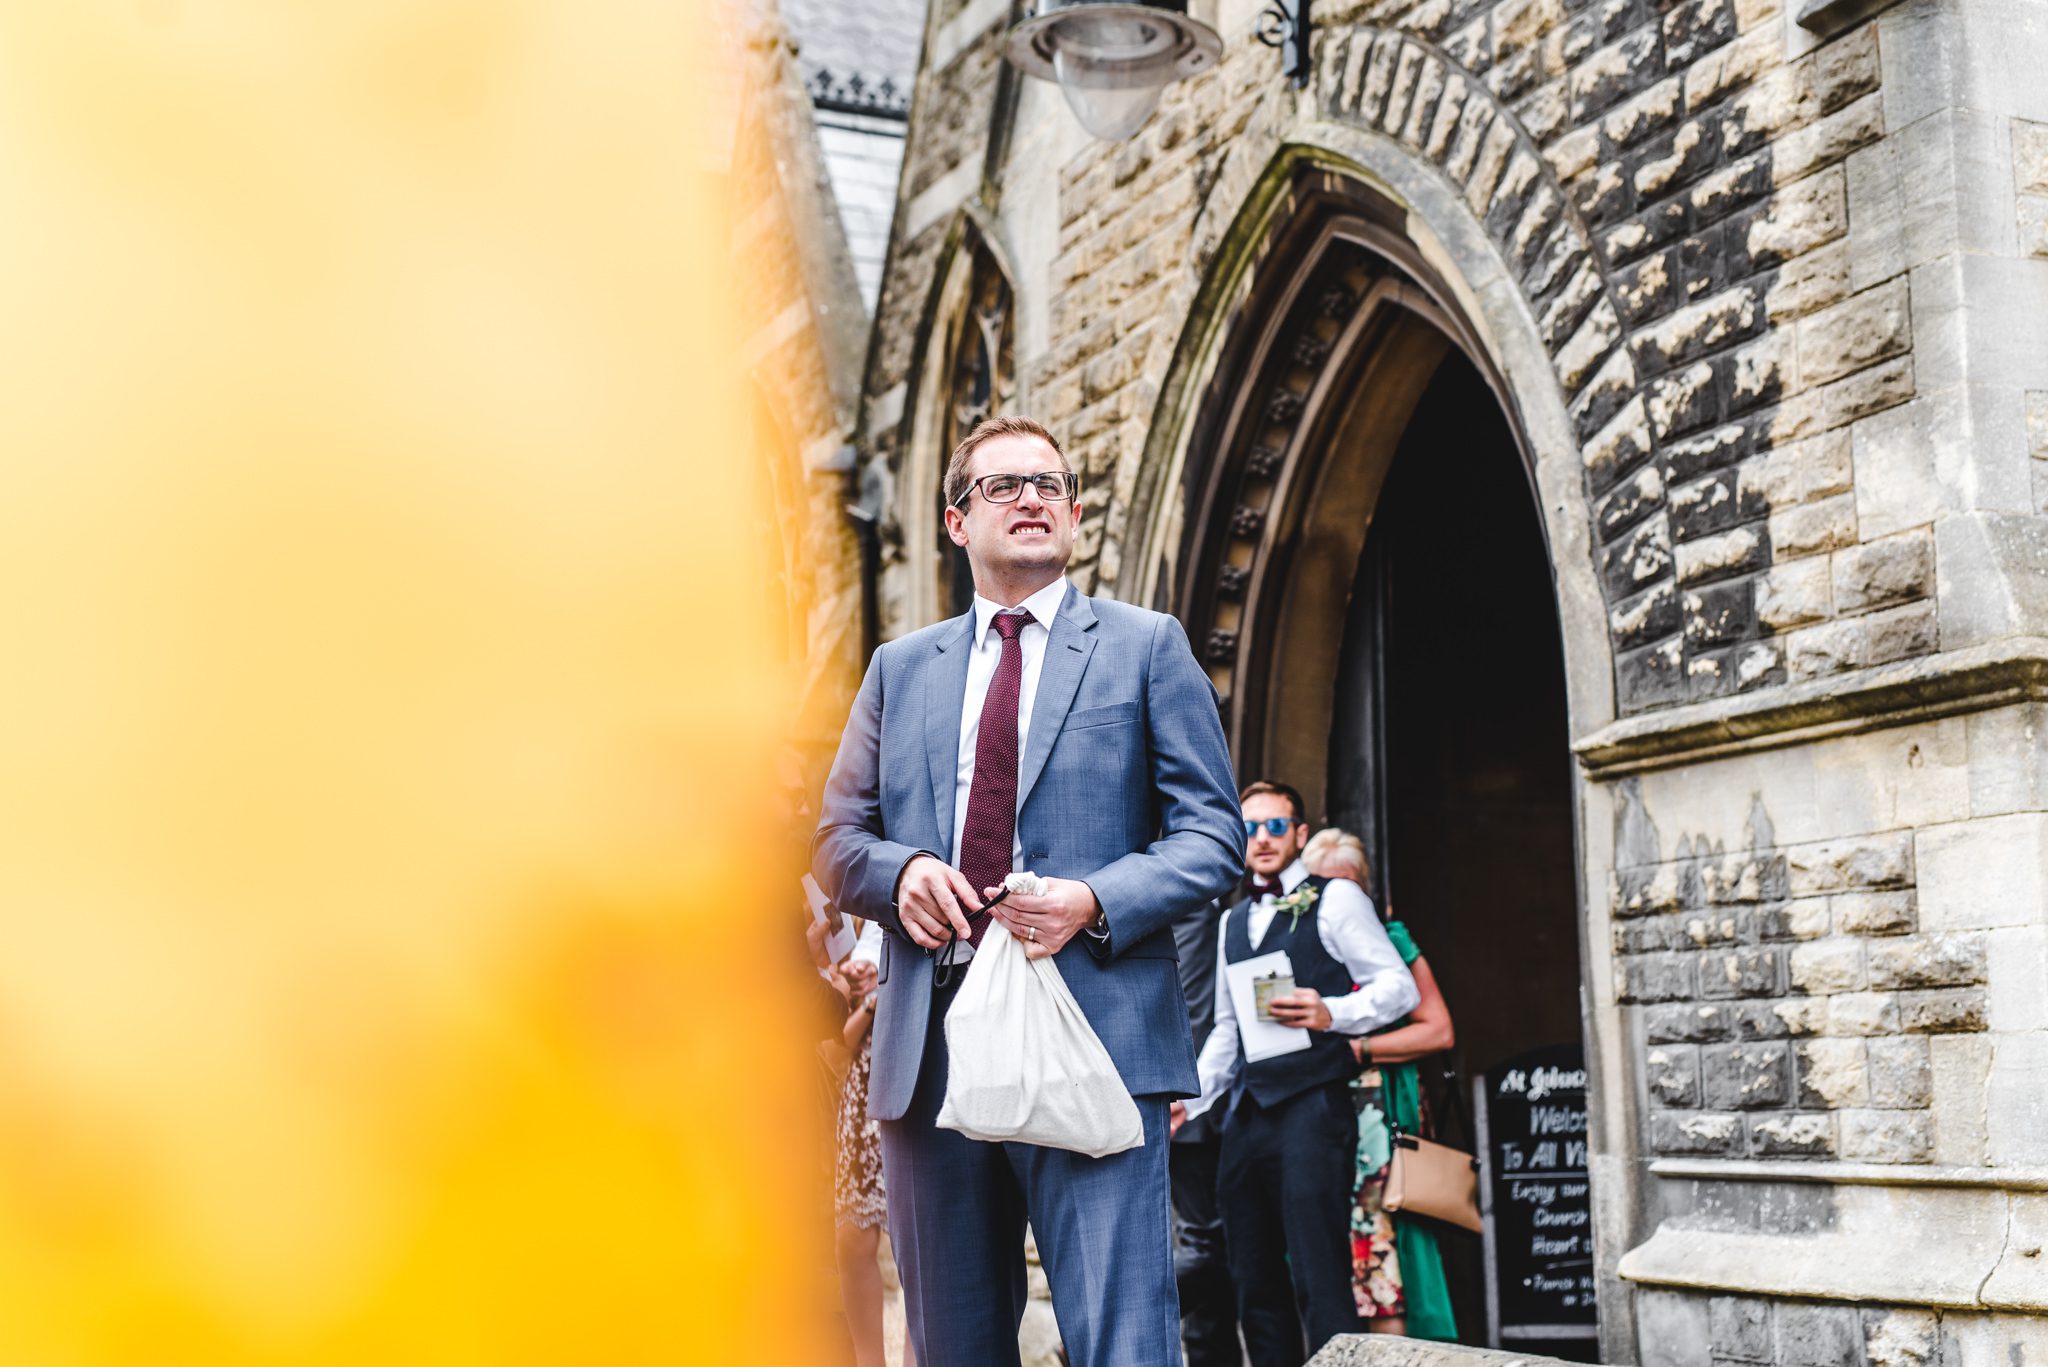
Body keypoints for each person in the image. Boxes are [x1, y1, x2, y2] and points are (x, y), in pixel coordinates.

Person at [813, 415, 1244, 1367]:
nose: (1033, 498)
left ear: (1075, 513)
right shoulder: (899, 670)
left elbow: (1215, 839)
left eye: (1051, 484)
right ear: (956, 521)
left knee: (1122, 1345)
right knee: (954, 1347)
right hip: (930, 1046)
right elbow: (837, 839)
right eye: (1004, 486)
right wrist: (901, 871)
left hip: (1095, 1034)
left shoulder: (1145, 647)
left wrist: (1092, 898)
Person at [1172, 782, 1419, 1367]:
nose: (1262, 839)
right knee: (1253, 1279)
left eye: (1275, 826)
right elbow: (1228, 1036)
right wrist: (1191, 1100)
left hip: (1315, 1107)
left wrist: (1334, 1012)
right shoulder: (1232, 921)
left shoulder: (1334, 899)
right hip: (1249, 1117)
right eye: (1251, 828)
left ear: (1300, 835)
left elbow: (1398, 988)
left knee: (1319, 1273)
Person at [1301, 828, 1460, 1343]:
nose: (1333, 900)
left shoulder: (1389, 938)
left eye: (1344, 887)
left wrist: (1355, 1049)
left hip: (1378, 1111)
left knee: (1380, 1240)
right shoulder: (1300, 937)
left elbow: (1438, 1028)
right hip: (1316, 1111)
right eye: (1321, 887)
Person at [829, 920, 916, 1367]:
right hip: (864, 1084)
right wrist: (864, 994)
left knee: (918, 1236)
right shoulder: (840, 919)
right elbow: (833, 1043)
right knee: (853, 1236)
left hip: (918, 1061)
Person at [1169, 891, 1240, 1366]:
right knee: (1213, 1245)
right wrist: (1186, 1097)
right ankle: (1126, 1310)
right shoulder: (1192, 911)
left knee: (1210, 1242)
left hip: (1204, 1106)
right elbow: (1195, 1008)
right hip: (1193, 1108)